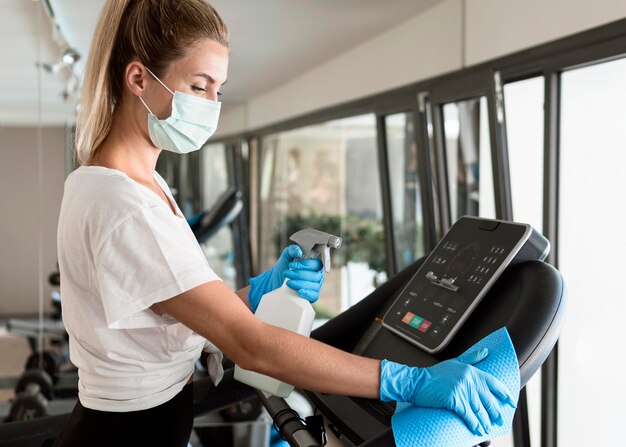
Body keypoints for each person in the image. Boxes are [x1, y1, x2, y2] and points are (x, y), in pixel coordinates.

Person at [53, 1, 515, 446]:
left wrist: (260, 290)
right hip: (127, 433)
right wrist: (410, 381)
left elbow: (172, 312)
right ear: (138, 77)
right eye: (199, 86)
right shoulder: (125, 204)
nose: (212, 104)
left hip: (144, 423)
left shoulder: (136, 183)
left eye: (220, 89)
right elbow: (250, 345)